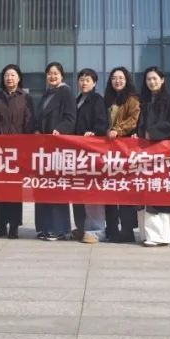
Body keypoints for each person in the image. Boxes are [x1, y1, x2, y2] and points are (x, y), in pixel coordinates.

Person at [136, 66, 170, 246]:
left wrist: (152, 132)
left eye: (155, 78)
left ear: (162, 80)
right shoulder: (145, 100)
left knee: (158, 194)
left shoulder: (169, 100)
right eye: (148, 79)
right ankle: (146, 234)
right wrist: (140, 133)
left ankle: (159, 236)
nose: (151, 82)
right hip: (144, 152)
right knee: (144, 194)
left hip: (161, 152)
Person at [0, 64, 33, 239]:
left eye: (13, 75)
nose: (10, 78)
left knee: (15, 189)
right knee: (0, 188)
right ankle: (1, 225)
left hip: (18, 150)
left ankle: (14, 226)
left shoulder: (25, 98)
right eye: (6, 75)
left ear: (19, 78)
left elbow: (30, 122)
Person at [32, 62, 75, 241]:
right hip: (43, 147)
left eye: (56, 73)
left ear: (62, 76)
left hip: (58, 147)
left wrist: (60, 129)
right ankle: (44, 227)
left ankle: (58, 229)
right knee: (42, 186)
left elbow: (70, 118)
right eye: (49, 73)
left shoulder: (65, 92)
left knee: (56, 187)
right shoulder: (47, 93)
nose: (52, 76)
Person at [103, 67, 141, 243]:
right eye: (114, 78)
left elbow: (134, 120)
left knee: (125, 191)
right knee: (109, 191)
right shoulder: (107, 99)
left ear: (127, 80)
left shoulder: (132, 99)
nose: (117, 81)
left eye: (120, 78)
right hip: (108, 151)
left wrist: (117, 130)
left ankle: (127, 231)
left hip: (125, 150)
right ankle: (111, 229)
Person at [72, 68, 109, 245]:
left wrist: (93, 133)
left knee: (92, 190)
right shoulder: (77, 100)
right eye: (81, 79)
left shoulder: (97, 100)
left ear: (94, 83)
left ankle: (96, 230)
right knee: (78, 190)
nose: (84, 82)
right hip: (76, 152)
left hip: (92, 151)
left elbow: (102, 123)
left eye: (88, 80)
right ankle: (82, 226)